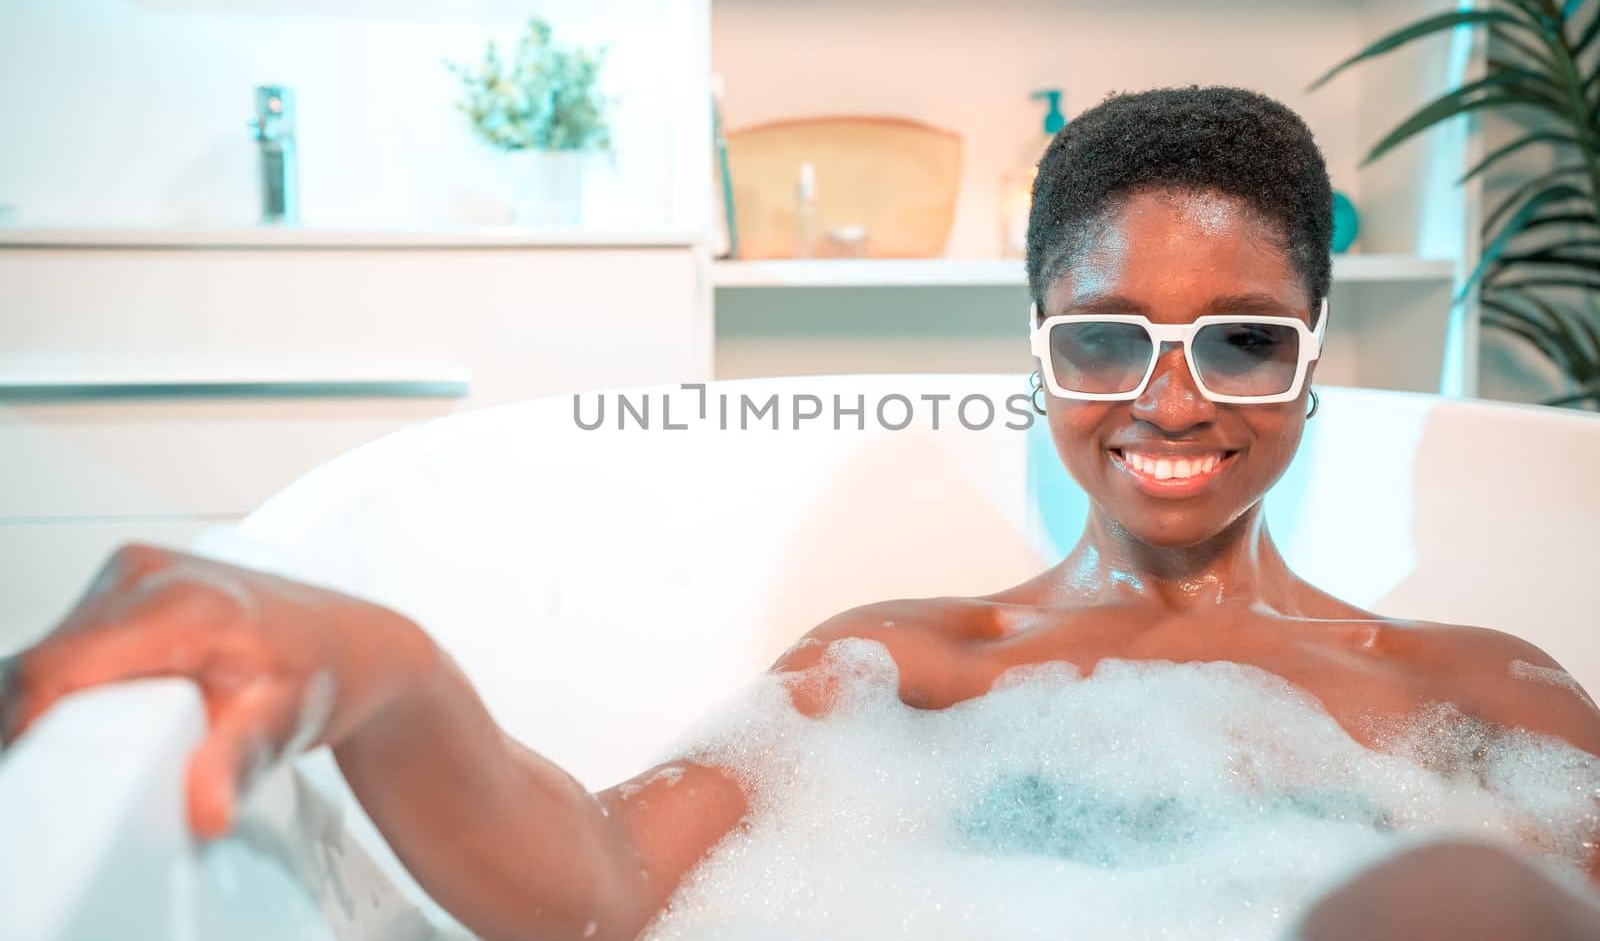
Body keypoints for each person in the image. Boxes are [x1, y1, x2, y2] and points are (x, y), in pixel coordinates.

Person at [2, 86, 1597, 941]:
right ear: (1040, 362)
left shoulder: (1483, 695)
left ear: (1314, 370)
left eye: (1242, 339)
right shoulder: (905, 670)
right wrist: (388, 665)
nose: (1170, 401)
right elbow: (603, 888)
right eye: (1104, 336)